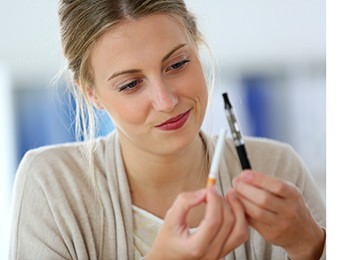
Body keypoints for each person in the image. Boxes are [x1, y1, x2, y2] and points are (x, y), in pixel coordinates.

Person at [9, 0, 326, 259]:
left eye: (177, 65)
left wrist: (310, 246)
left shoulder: (277, 168)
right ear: (90, 93)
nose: (166, 100)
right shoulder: (52, 186)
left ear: (197, 47)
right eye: (131, 84)